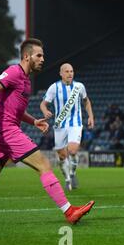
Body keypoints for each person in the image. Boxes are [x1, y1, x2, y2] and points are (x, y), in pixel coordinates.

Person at [0, 38, 94, 224]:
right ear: (26, 56)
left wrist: (33, 122)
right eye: (38, 55)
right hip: (6, 132)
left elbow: (17, 110)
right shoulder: (14, 72)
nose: (42, 59)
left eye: (43, 56)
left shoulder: (26, 81)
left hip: (0, 133)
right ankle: (69, 212)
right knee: (44, 165)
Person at [40, 63, 94, 191]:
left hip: (76, 123)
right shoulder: (54, 87)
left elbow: (86, 101)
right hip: (60, 125)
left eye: (72, 71)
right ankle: (67, 179)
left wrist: (91, 116)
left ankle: (73, 173)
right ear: (61, 73)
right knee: (62, 156)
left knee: (73, 150)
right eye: (67, 71)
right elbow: (43, 104)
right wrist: (45, 111)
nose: (70, 74)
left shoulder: (79, 87)